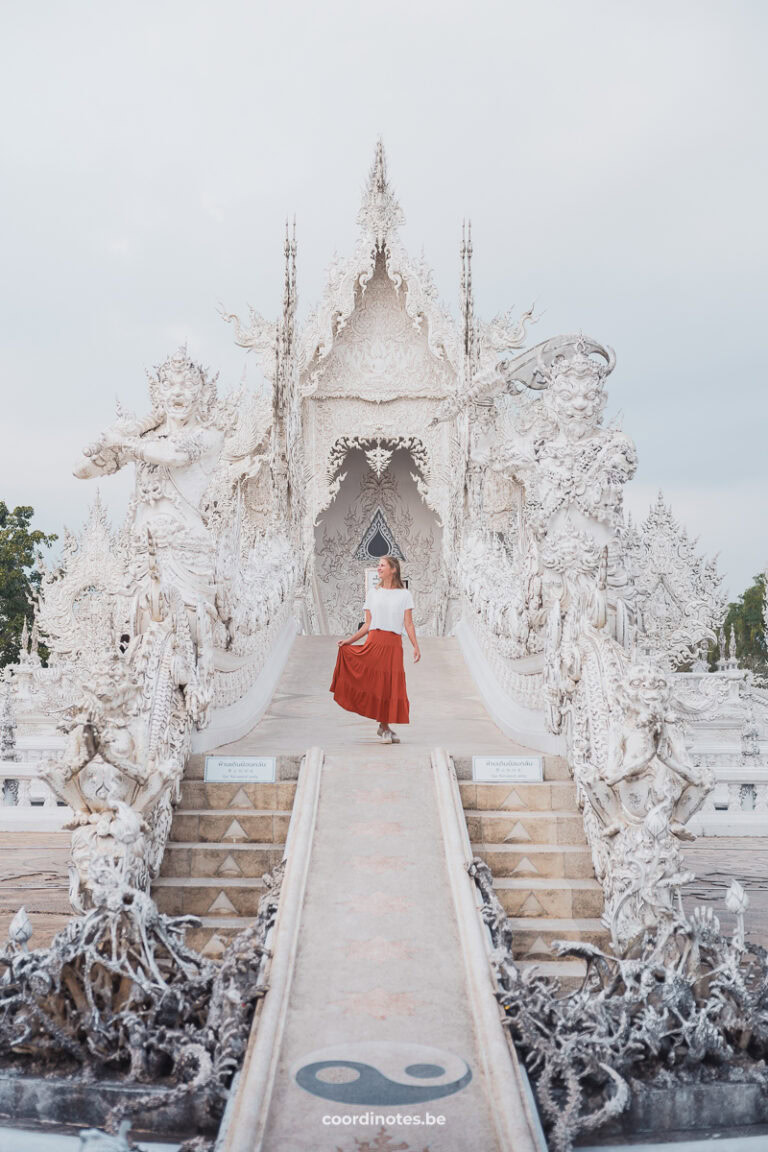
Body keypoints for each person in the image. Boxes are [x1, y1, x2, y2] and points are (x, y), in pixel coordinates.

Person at [330, 555, 421, 743]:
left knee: (389, 685)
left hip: (393, 644)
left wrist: (415, 646)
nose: (378, 568)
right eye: (378, 565)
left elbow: (408, 624)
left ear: (393, 569)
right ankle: (385, 727)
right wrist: (349, 641)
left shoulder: (405, 594)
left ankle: (384, 726)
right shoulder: (373, 593)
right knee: (375, 684)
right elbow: (367, 624)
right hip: (374, 641)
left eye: (382, 565)